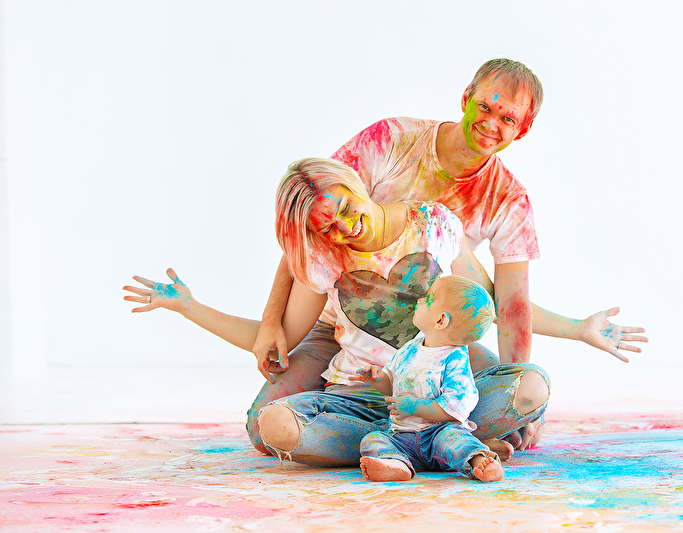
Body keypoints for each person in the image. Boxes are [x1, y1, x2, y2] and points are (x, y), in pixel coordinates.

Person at [250, 58, 647, 453]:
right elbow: (312, 223)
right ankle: (424, 436)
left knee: (524, 392)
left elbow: (507, 304)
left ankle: (399, 435)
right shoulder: (391, 140)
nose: (491, 123)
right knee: (262, 428)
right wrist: (271, 322)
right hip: (340, 324)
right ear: (466, 98)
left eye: (507, 118)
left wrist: (567, 340)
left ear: (523, 129)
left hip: (436, 332)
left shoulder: (508, 200)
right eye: (485, 107)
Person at [124, 157, 550, 466]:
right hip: (360, 399)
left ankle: (414, 442)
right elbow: (274, 340)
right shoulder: (324, 260)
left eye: (345, 208)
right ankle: (442, 445)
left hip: (436, 393)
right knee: (274, 426)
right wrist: (189, 307)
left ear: (353, 184)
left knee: (532, 386)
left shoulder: (435, 224)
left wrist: (574, 331)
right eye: (328, 226)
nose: (345, 227)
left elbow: (487, 304)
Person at [354, 275, 504, 483]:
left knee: (456, 439)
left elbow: (454, 408)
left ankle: (479, 461)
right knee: (373, 440)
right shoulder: (409, 349)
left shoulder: (455, 358)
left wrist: (414, 407)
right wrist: (377, 378)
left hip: (438, 436)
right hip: (402, 436)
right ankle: (396, 464)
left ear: (440, 320)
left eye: (428, 298)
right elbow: (391, 384)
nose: (420, 299)